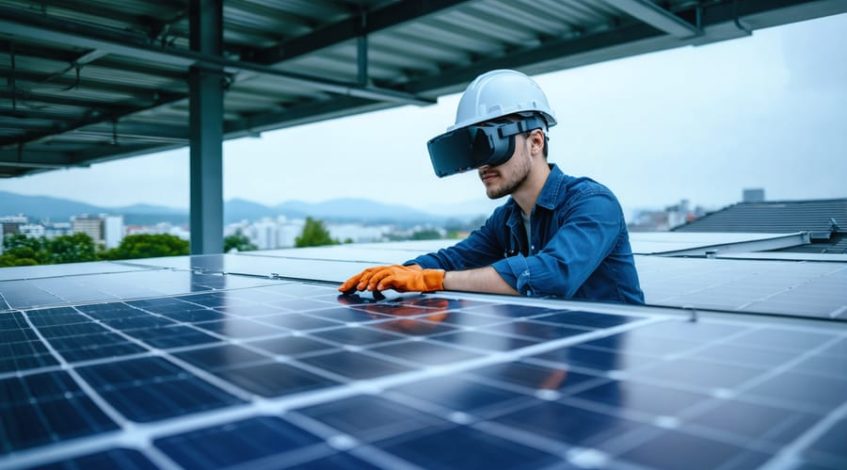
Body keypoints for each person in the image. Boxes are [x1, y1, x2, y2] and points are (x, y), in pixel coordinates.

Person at [339, 69, 644, 304]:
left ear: (536, 141)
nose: (481, 164)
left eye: (490, 145)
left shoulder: (593, 203)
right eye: (475, 150)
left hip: (607, 362)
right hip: (553, 360)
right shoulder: (506, 220)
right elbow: (452, 260)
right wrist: (401, 273)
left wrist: (434, 280)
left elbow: (554, 274)